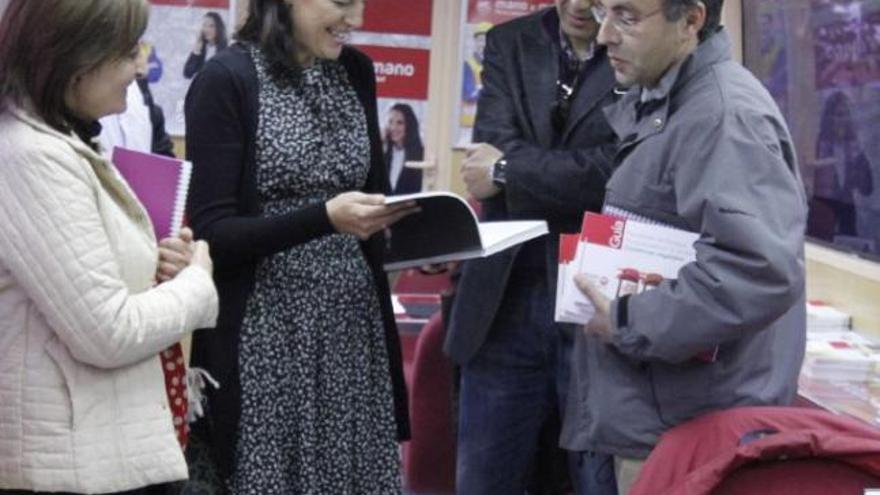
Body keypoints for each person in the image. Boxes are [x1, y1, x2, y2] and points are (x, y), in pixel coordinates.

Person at [562, 1, 808, 493]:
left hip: (687, 435)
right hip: (656, 416)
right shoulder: (666, 99)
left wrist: (630, 319)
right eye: (601, 9)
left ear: (691, 21)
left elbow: (756, 270)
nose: (604, 34)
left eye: (627, 17)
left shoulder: (722, 116)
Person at [183, 0, 418, 493]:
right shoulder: (226, 80)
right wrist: (324, 218)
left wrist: (421, 242)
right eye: (341, 4)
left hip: (354, 336)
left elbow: (370, 198)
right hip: (265, 338)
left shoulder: (354, 71)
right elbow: (214, 234)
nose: (355, 20)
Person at [0, 0, 218, 494]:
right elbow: (108, 332)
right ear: (75, 60)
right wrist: (197, 285)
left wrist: (161, 266)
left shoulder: (64, 144)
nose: (138, 68)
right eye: (126, 53)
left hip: (95, 452)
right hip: (73, 467)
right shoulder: (33, 157)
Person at [445, 0, 619, 493]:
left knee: (593, 480)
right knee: (483, 479)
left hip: (595, 297)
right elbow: (484, 154)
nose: (580, 6)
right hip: (505, 296)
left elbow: (619, 170)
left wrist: (509, 171)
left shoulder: (634, 47)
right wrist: (564, 177)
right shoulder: (509, 43)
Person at [809, 90, 874, 240]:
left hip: (847, 223)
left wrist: (859, 162)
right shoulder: (817, 146)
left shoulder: (853, 148)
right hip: (821, 221)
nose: (842, 119)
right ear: (828, 118)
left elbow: (867, 189)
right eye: (838, 114)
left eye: (845, 114)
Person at [100, 42, 175, 157]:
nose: (138, 66)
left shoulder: (144, 99)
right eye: (130, 56)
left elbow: (161, 153)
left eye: (136, 54)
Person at [384, 102, 424, 195]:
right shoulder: (385, 153)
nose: (393, 127)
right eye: (390, 122)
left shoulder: (420, 154)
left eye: (399, 123)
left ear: (409, 125)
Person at [183, 11, 228, 79]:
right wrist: (196, 52)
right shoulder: (201, 48)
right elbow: (187, 73)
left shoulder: (225, 50)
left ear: (219, 28)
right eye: (204, 25)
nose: (207, 29)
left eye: (211, 26)